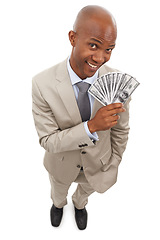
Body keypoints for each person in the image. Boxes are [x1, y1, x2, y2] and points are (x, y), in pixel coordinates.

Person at [32, 5, 131, 230]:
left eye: (109, 49)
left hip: (99, 164)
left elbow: (121, 130)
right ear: (73, 38)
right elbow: (47, 140)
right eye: (94, 45)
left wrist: (114, 161)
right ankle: (58, 205)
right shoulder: (42, 84)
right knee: (58, 191)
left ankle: (79, 204)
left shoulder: (118, 84)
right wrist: (92, 126)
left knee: (86, 191)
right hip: (61, 164)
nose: (100, 57)